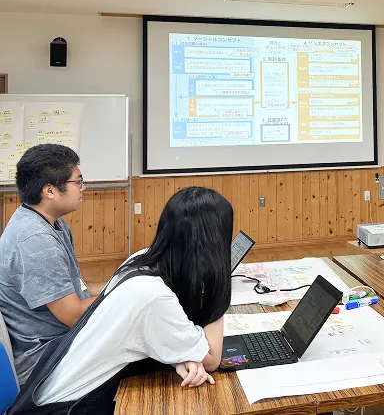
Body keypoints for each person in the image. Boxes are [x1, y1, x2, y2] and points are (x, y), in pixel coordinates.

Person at [20, 186, 231, 413]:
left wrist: (179, 357)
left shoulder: (142, 259)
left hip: (62, 392)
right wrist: (217, 289)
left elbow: (153, 329)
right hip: (68, 408)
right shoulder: (153, 295)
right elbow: (211, 358)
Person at [0, 144, 99, 385]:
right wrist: (126, 296)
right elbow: (74, 315)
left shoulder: (50, 222)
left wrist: (121, 282)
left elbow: (79, 288)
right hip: (46, 359)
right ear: (50, 190)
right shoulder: (35, 239)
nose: (83, 188)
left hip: (61, 341)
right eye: (78, 182)